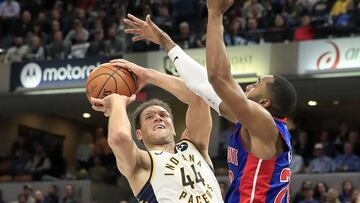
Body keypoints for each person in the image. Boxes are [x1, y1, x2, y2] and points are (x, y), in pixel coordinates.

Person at [123, 4, 297, 201]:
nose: (249, 86)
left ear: (265, 102)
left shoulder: (265, 125)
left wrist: (215, 14)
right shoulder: (252, 123)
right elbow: (203, 88)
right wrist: (160, 49)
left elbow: (217, 78)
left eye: (257, 84)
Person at [90, 62, 223, 201]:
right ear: (139, 134)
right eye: (149, 117)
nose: (158, 118)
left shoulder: (195, 146)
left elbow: (198, 98)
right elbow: (120, 138)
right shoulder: (141, 162)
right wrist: (117, 102)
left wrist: (148, 75)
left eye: (163, 115)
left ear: (173, 128)